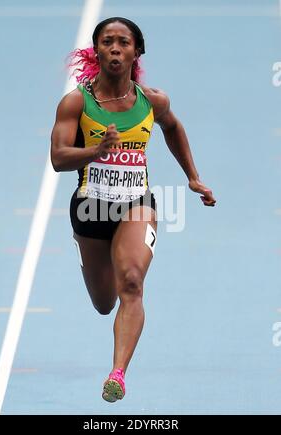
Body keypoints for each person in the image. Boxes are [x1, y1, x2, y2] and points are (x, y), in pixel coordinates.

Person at [50, 17, 216, 403]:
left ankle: (117, 374)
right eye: (107, 42)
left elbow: (172, 127)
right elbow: (59, 158)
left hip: (136, 205)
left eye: (123, 42)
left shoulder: (152, 101)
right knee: (105, 303)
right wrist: (96, 151)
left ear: (136, 52)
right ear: (97, 51)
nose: (115, 48)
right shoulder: (77, 101)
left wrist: (192, 177)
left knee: (132, 283)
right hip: (90, 209)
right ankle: (90, 257)